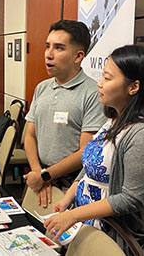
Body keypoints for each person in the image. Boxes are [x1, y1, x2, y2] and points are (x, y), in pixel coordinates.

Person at [44, 45, 144, 255]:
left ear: (134, 87)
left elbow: (130, 199)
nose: (99, 83)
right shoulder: (113, 120)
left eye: (107, 78)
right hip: (88, 226)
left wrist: (75, 215)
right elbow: (91, 164)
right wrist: (69, 197)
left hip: (115, 237)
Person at [23, 20, 106, 208]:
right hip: (41, 176)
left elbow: (86, 153)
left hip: (70, 185)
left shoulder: (93, 93)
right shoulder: (42, 87)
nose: (48, 54)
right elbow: (30, 135)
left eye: (59, 48)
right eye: (47, 46)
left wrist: (46, 175)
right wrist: (39, 173)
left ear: (78, 56)